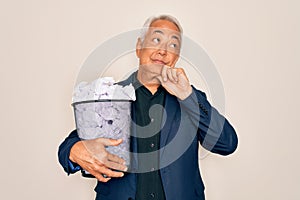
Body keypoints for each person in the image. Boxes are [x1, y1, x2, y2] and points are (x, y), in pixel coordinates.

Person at [58, 14, 238, 200]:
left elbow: (227, 144)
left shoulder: (190, 98)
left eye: (173, 45)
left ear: (176, 57)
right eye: (156, 40)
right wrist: (74, 150)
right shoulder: (109, 95)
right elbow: (70, 146)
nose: (163, 50)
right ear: (139, 47)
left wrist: (187, 95)